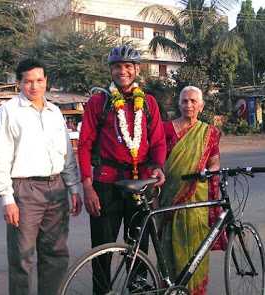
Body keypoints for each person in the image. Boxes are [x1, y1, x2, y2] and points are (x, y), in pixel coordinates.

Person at [78, 45, 166, 294]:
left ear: (137, 69)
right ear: (111, 70)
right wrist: (87, 186)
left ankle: (137, 290)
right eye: (117, 66)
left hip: (140, 183)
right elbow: (84, 144)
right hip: (106, 184)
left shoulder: (148, 103)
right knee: (102, 250)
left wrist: (157, 166)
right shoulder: (99, 102)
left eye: (128, 66)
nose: (123, 71)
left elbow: (158, 141)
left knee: (138, 247)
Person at [0, 58, 82, 295]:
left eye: (39, 80)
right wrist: (6, 198)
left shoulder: (54, 112)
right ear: (19, 83)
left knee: (56, 255)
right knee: (22, 258)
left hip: (57, 188)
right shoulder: (8, 112)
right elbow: (0, 157)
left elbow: (66, 154)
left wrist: (73, 188)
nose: (34, 86)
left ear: (46, 81)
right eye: (28, 81)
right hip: (25, 190)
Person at [159, 86, 227, 295]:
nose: (188, 105)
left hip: (197, 200)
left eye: (193, 101)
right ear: (178, 104)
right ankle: (171, 289)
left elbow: (215, 163)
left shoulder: (209, 132)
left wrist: (206, 172)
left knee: (197, 249)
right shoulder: (166, 129)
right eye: (184, 101)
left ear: (201, 106)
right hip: (170, 197)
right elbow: (158, 162)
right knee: (169, 249)